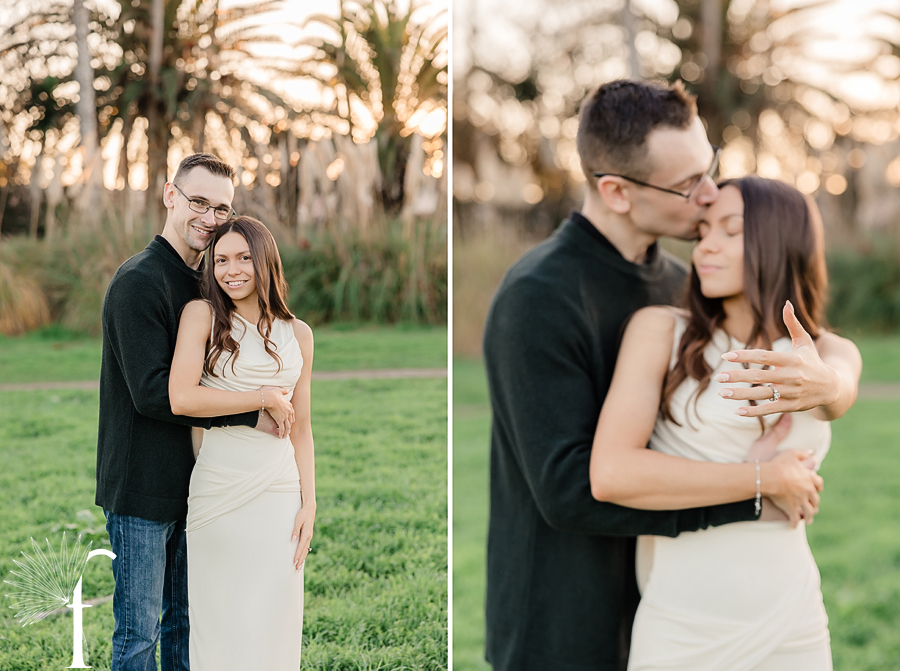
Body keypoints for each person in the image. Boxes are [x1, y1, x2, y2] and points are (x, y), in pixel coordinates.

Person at [481, 80, 860, 671]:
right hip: (563, 617)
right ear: (617, 191)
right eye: (689, 185)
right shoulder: (538, 296)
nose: (710, 195)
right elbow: (570, 491)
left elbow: (835, 366)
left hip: (670, 592)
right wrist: (759, 487)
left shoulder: (682, 290)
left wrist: (830, 385)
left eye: (709, 170)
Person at [589, 176, 861, 670]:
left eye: (730, 231)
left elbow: (840, 390)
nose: (704, 248)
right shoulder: (660, 333)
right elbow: (611, 474)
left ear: (778, 242)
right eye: (703, 232)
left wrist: (824, 387)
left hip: (790, 618)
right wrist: (766, 479)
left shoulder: (825, 353)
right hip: (682, 620)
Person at [96, 153, 279, 671]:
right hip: (140, 488)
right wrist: (250, 413)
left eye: (222, 208)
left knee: (186, 624)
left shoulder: (208, 281)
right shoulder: (139, 280)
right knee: (139, 633)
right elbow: (154, 393)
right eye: (198, 201)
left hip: (196, 484)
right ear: (169, 195)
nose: (210, 217)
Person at [168, 215, 315, 670]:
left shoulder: (299, 334)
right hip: (220, 489)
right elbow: (181, 398)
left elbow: (303, 427)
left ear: (265, 261)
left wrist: (309, 503)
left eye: (244, 258)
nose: (231, 270)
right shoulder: (202, 316)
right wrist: (262, 397)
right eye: (222, 260)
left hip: (280, 493)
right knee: (221, 621)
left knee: (275, 618)